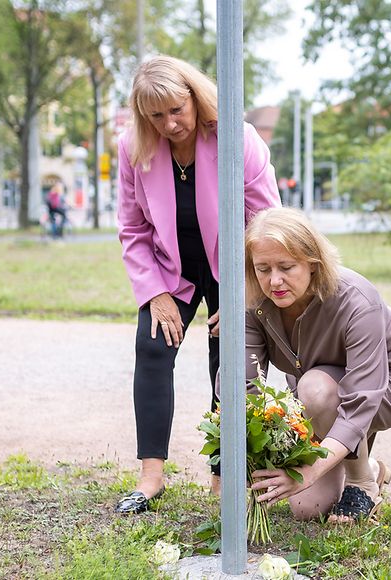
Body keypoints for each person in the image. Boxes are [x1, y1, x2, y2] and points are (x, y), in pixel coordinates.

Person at [114, 55, 281, 514]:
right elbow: (132, 230)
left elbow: (266, 223)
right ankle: (151, 477)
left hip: (234, 265)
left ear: (194, 97)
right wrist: (153, 292)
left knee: (228, 356)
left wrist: (245, 292)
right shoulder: (135, 149)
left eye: (176, 109)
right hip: (170, 271)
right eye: (156, 116)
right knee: (151, 347)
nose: (169, 123)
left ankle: (223, 474)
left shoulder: (237, 138)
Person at [241, 207, 391, 523]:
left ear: (312, 263)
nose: (274, 281)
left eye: (286, 267)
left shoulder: (356, 298)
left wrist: (311, 470)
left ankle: (361, 482)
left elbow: (359, 402)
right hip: (321, 395)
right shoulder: (253, 303)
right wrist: (255, 457)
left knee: (315, 388)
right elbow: (244, 385)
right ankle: (371, 465)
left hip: (389, 385)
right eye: (263, 269)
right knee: (307, 508)